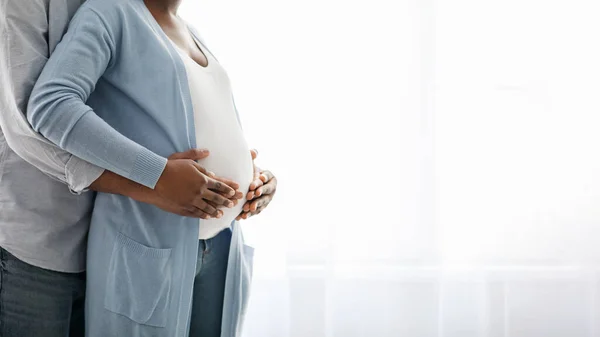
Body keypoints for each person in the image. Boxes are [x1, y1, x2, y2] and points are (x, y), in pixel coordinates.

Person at [0, 0, 276, 336]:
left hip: (215, 240)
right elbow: (41, 113)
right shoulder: (110, 12)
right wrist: (155, 177)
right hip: (50, 238)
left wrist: (253, 177)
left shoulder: (190, 31)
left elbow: (187, 121)